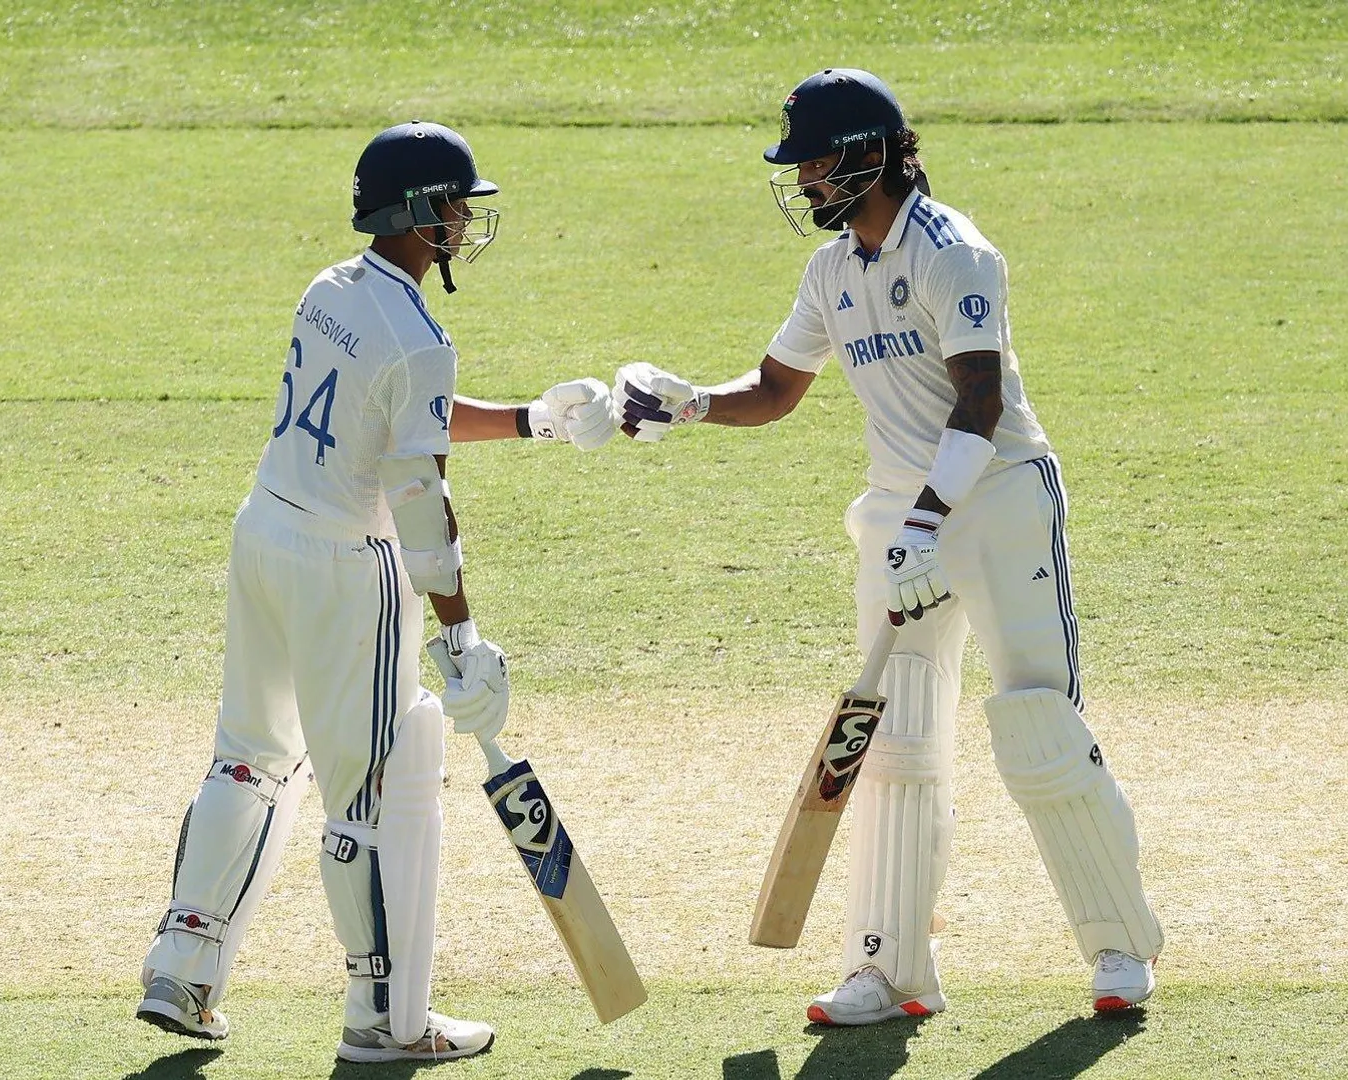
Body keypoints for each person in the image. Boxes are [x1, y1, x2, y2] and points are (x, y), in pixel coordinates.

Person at [611, 68, 1163, 1024]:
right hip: (895, 519)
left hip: (993, 503)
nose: (805, 180)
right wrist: (692, 402)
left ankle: (1119, 946)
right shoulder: (831, 271)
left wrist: (926, 523)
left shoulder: (956, 253)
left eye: (818, 160)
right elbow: (777, 391)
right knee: (895, 740)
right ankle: (890, 968)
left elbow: (979, 404)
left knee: (1039, 724)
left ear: (870, 154)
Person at [136, 120, 616, 1063]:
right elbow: (421, 501)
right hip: (346, 571)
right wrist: (464, 635)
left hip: (263, 533)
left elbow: (398, 416)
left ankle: (182, 968)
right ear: (415, 213)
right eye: (452, 206)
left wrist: (532, 422)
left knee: (248, 759)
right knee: (366, 795)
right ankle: (384, 1020)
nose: (462, 221)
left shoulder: (332, 290)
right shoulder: (419, 337)